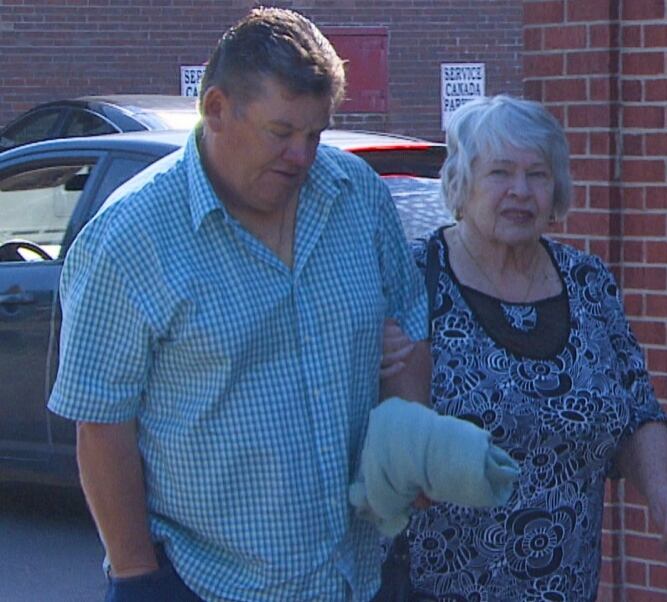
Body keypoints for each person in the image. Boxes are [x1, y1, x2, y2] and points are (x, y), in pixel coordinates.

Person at [47, 7, 431, 601]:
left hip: (356, 575)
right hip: (208, 581)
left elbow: (407, 329)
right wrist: (136, 579)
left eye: (316, 134)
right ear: (218, 109)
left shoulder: (355, 196)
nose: (302, 156)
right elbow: (101, 424)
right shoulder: (129, 239)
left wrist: (411, 449)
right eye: (281, 133)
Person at [382, 95, 667, 601]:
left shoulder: (587, 281)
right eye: (500, 173)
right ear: (462, 185)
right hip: (434, 585)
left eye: (538, 175)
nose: (520, 192)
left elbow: (637, 409)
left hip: (565, 586)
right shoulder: (413, 277)